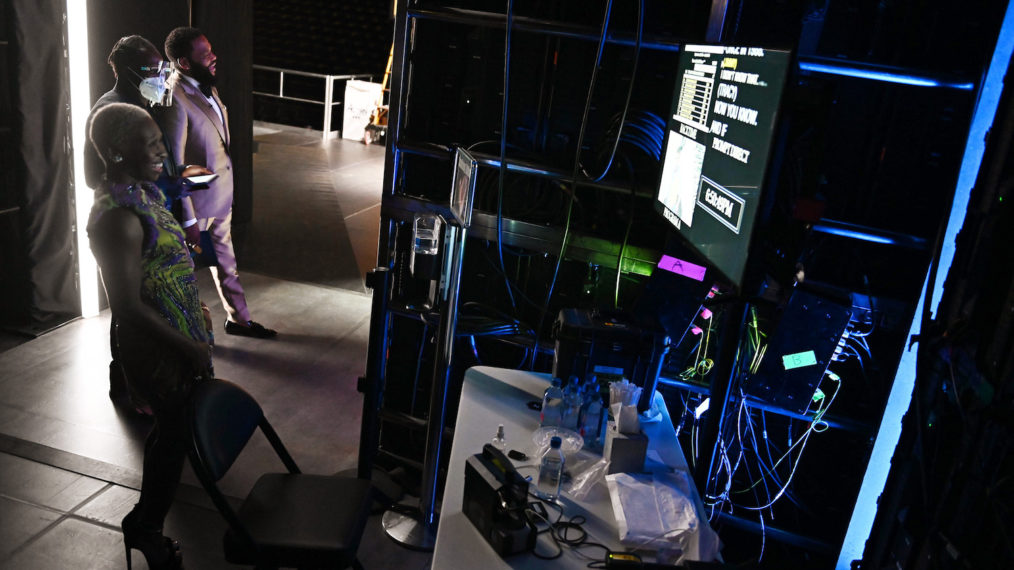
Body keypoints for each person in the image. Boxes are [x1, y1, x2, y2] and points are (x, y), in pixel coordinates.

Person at [87, 103, 211, 569]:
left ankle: (148, 523)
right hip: (156, 349)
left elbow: (165, 266)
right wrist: (189, 345)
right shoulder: (117, 218)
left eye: (162, 139)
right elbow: (127, 306)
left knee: (173, 433)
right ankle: (145, 525)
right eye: (151, 142)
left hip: (178, 338)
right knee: (173, 435)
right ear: (118, 151)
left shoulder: (144, 193)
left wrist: (194, 311)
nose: (163, 149)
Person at [84, 35, 215, 410]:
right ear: (124, 70)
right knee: (130, 308)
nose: (161, 76)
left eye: (163, 69)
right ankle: (127, 385)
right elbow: (99, 176)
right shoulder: (108, 113)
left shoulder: (144, 103)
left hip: (152, 226)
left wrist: (170, 185)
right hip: (137, 240)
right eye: (152, 70)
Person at [162, 26, 277, 338]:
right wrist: (187, 218)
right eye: (205, 54)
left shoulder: (206, 86)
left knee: (227, 264)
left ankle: (238, 320)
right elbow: (176, 166)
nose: (214, 58)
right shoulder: (175, 99)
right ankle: (184, 334)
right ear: (184, 63)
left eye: (211, 50)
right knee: (184, 274)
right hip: (196, 208)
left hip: (220, 198)